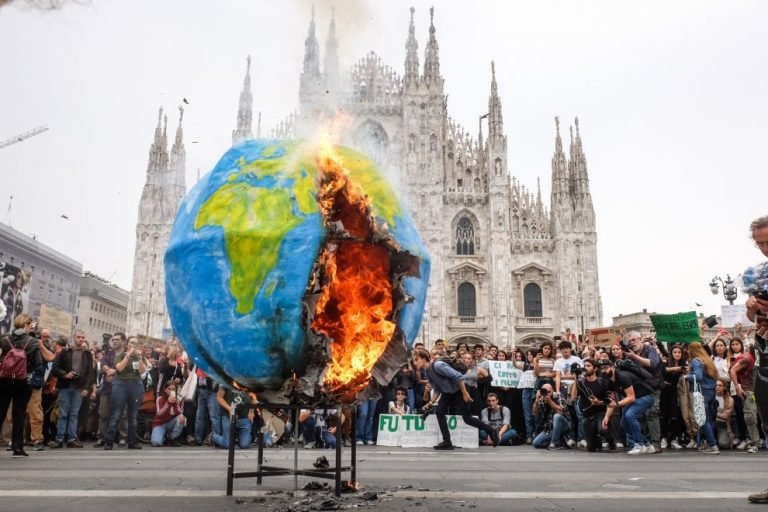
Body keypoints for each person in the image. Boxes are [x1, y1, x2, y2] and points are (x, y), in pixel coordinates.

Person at [411, 348, 498, 450]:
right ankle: (447, 442)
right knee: (439, 412)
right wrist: (430, 403)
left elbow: (459, 377)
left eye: (416, 360)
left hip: (459, 390)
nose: (415, 363)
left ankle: (491, 430)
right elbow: (437, 389)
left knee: (467, 419)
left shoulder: (438, 365)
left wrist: (465, 393)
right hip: (447, 393)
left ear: (424, 359)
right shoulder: (427, 372)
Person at [746, 215, 768, 503]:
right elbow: (752, 317)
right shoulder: (758, 274)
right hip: (765, 358)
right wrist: (752, 305)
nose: (764, 248)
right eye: (759, 244)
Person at [0, 314, 40, 457]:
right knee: (19, 414)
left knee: (1, 411)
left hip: (4, 380)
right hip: (22, 382)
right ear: (26, 325)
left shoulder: (4, 340)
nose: (31, 328)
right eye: (30, 325)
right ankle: (18, 448)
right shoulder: (33, 342)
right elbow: (38, 364)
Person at [50, 329, 96, 449]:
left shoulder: (87, 354)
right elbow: (54, 368)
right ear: (74, 337)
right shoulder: (65, 351)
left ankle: (71, 438)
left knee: (74, 414)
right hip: (65, 385)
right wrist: (65, 374)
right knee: (63, 414)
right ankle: (59, 439)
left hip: (79, 386)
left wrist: (87, 387)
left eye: (83, 337)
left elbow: (90, 373)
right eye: (79, 337)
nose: (81, 339)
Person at [600, 358, 654, 455]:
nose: (604, 370)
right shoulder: (609, 381)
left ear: (612, 367)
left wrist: (616, 404)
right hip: (635, 399)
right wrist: (607, 417)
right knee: (623, 423)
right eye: (602, 369)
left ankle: (639, 444)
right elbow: (610, 401)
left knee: (630, 415)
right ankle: (647, 445)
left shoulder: (622, 377)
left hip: (646, 397)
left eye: (606, 368)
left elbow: (631, 397)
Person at [104, 336, 147, 450]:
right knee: (116, 414)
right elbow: (119, 368)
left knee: (133, 416)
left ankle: (132, 442)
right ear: (127, 344)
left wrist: (140, 358)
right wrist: (128, 355)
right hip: (121, 384)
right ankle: (109, 442)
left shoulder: (138, 357)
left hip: (136, 384)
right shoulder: (120, 355)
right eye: (132, 343)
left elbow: (142, 372)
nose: (134, 345)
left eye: (136, 344)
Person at [569, 359, 614, 451]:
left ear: (595, 368)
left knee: (602, 430)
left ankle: (611, 441)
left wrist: (600, 403)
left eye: (589, 366)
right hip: (588, 416)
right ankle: (597, 440)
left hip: (601, 413)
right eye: (585, 366)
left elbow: (611, 401)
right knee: (591, 448)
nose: (586, 368)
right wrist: (575, 378)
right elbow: (573, 397)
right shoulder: (581, 382)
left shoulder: (602, 382)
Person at [686, 342, 719, 454]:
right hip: (711, 392)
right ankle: (707, 444)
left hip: (702, 393)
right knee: (708, 419)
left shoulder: (696, 361)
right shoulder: (708, 360)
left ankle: (712, 445)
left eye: (688, 349)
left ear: (692, 350)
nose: (687, 351)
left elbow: (698, 376)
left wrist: (687, 376)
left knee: (703, 420)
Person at [730, 340, 760, 453]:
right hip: (750, 392)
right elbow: (733, 370)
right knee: (750, 417)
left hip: (761, 391)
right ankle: (755, 443)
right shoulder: (748, 359)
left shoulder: (761, 359)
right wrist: (738, 387)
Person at [531, 383, 570, 450]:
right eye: (545, 392)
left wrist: (549, 401)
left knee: (556, 416)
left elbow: (561, 411)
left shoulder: (558, 396)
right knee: (536, 443)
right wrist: (536, 400)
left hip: (564, 425)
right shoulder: (542, 398)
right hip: (549, 429)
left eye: (549, 392)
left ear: (553, 390)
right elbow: (534, 412)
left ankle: (555, 443)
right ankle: (560, 442)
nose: (547, 394)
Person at [150, 380, 186, 446]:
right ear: (165, 390)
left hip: (171, 423)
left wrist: (175, 403)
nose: (171, 391)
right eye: (169, 389)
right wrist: (168, 403)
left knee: (182, 418)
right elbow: (159, 414)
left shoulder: (179, 399)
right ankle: (164, 438)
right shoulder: (160, 399)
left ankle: (172, 438)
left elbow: (180, 413)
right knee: (156, 443)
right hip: (160, 424)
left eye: (173, 389)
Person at [714, 378, 735, 449]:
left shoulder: (729, 400)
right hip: (710, 423)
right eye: (716, 385)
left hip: (721, 424)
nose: (717, 387)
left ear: (724, 387)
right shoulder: (710, 397)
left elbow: (726, 416)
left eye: (720, 385)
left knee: (723, 444)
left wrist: (713, 413)